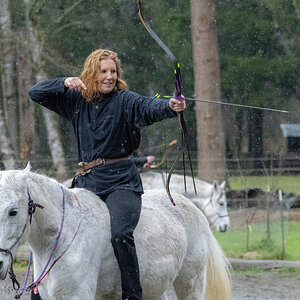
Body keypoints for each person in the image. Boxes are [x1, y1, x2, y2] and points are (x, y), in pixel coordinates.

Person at [29, 48, 186, 300]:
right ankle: (38, 290)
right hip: (87, 183)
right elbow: (35, 93)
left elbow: (149, 107)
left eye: (113, 71)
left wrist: (170, 105)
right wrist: (63, 82)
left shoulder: (125, 100)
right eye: (103, 71)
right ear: (92, 73)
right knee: (53, 229)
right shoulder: (76, 101)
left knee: (121, 234)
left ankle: (132, 295)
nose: (109, 76)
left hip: (121, 183)